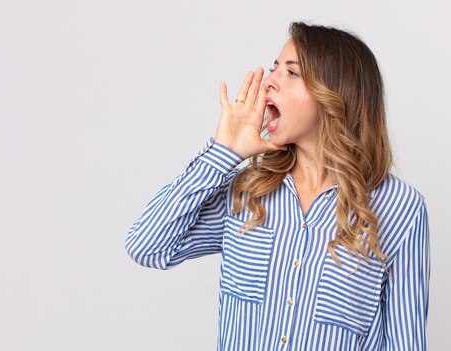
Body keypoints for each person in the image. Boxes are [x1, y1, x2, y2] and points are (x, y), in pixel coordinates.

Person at [125, 21, 430, 351]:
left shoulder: (400, 208)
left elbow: (406, 342)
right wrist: (223, 151)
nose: (269, 81)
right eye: (274, 69)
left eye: (291, 73)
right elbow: (147, 246)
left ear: (336, 93)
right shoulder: (246, 192)